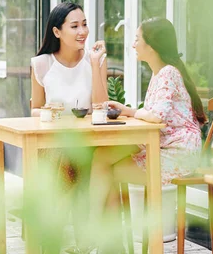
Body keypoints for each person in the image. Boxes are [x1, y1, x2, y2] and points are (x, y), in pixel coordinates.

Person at [88, 17, 205, 253]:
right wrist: (129, 111)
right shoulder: (159, 73)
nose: (133, 45)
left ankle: (98, 235)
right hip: (161, 145)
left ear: (151, 46)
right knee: (102, 156)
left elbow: (157, 116)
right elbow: (154, 113)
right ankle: (105, 239)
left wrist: (136, 112)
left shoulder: (168, 73)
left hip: (178, 153)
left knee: (106, 167)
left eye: (137, 39)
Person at [30, 1, 109, 253]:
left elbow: (100, 106)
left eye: (84, 24)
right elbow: (34, 109)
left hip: (90, 143)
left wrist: (96, 65)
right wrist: (54, 117)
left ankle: (54, 237)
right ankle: (83, 242)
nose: (82, 31)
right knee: (68, 161)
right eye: (74, 26)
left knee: (74, 161)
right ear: (57, 32)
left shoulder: (94, 60)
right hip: (53, 143)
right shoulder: (42, 64)